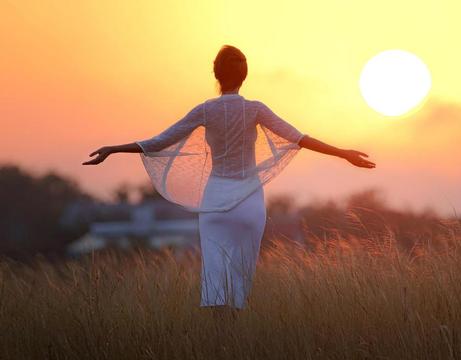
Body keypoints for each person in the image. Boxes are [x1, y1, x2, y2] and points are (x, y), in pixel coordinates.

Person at [83, 45, 375, 314]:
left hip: (214, 205)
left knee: (215, 280)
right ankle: (233, 337)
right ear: (244, 76)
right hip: (249, 205)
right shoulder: (255, 109)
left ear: (216, 74)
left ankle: (220, 341)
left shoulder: (205, 110)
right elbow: (299, 138)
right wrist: (342, 153)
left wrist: (114, 149)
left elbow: (159, 142)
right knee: (240, 279)